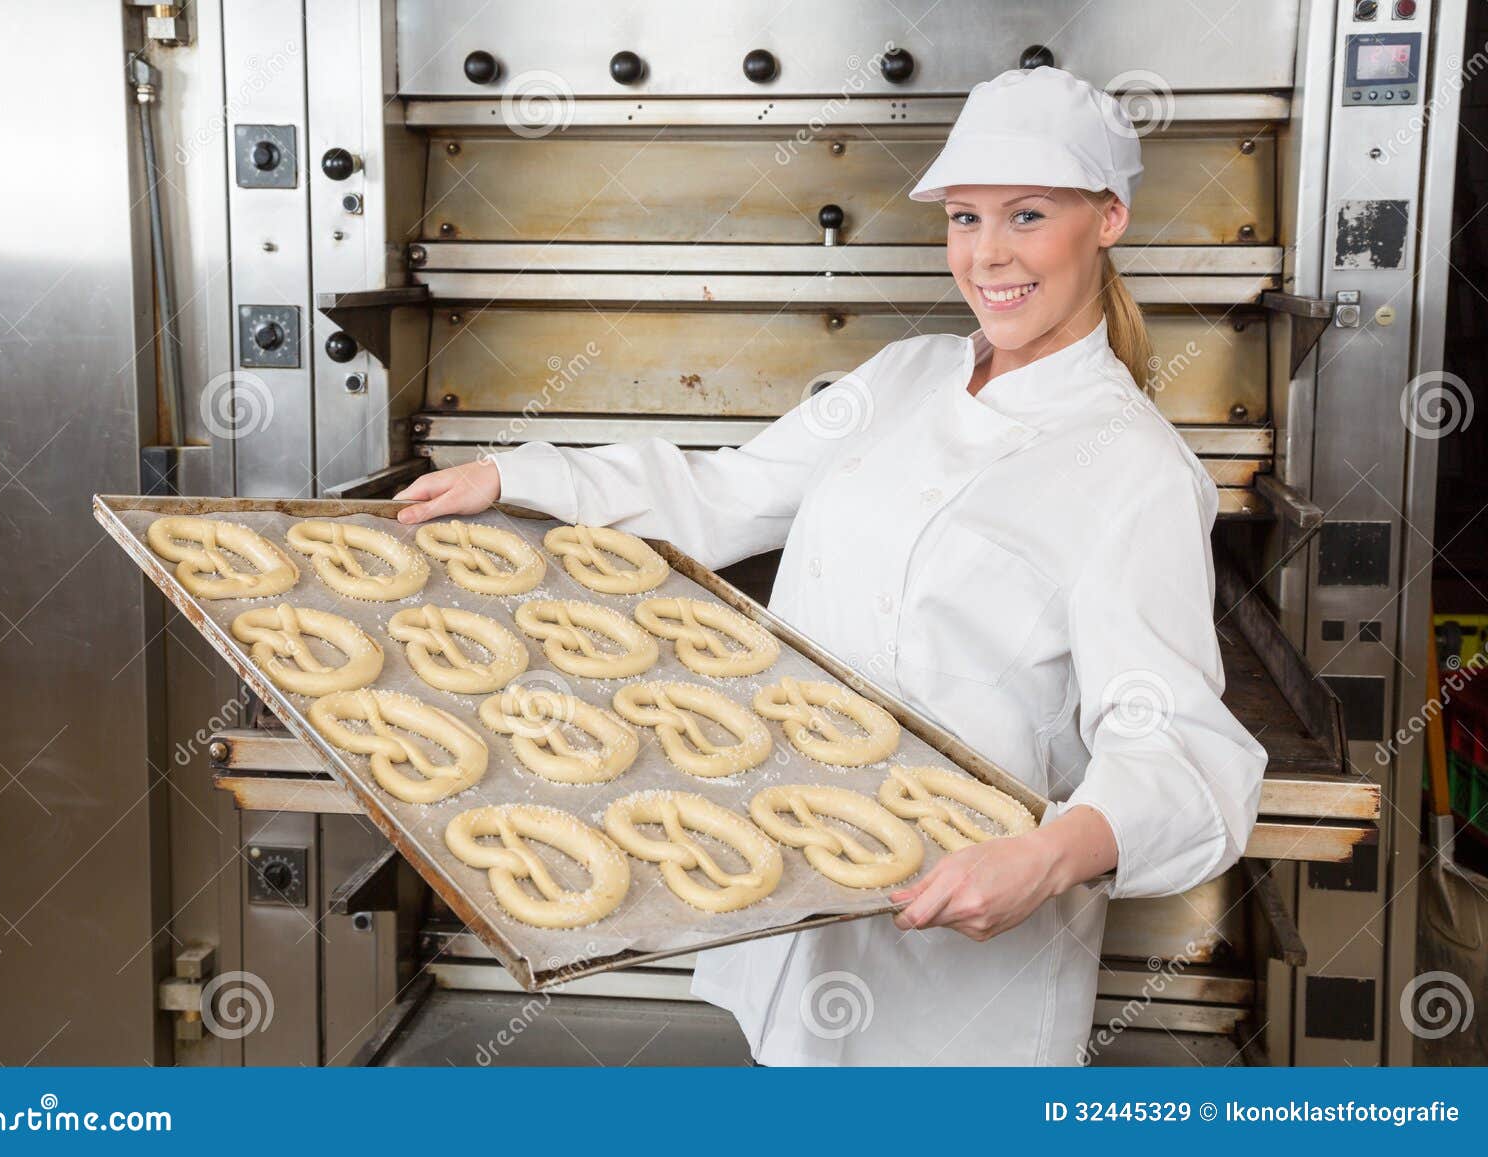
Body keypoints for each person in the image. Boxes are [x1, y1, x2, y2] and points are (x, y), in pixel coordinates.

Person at [395, 66, 1267, 1066]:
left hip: (964, 967)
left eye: (1027, 215)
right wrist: (514, 473)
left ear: (1108, 218)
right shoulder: (906, 375)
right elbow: (725, 495)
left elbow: (1179, 749)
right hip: (799, 886)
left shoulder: (1133, 467)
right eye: (964, 218)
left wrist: (1047, 854)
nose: (988, 256)